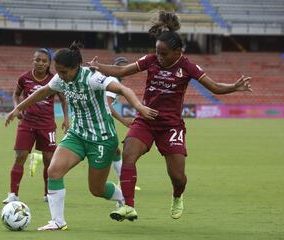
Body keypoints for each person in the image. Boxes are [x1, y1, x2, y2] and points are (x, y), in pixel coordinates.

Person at [88, 10, 252, 222]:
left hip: (171, 126)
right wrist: (98, 67)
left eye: (164, 54)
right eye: (157, 52)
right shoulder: (150, 60)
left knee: (177, 177)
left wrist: (233, 87)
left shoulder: (188, 67)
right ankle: (128, 206)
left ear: (178, 52)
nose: (159, 57)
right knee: (129, 153)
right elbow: (122, 71)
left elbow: (214, 87)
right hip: (146, 120)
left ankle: (177, 195)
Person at [5, 42, 158, 230]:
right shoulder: (61, 79)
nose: (60, 76)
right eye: (58, 72)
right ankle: (58, 221)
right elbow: (44, 91)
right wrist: (18, 107)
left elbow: (123, 89)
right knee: (54, 171)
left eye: (64, 72)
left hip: (101, 138)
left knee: (96, 189)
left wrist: (139, 107)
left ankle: (122, 198)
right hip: (77, 134)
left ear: (76, 67)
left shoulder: (93, 78)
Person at [2, 48, 69, 204]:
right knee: (20, 157)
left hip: (47, 125)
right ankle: (13, 194)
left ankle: (48, 194)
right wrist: (16, 107)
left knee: (48, 160)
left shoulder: (55, 80)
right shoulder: (24, 78)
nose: (40, 63)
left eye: (44, 61)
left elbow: (64, 100)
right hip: (27, 123)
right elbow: (16, 95)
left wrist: (66, 119)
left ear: (49, 64)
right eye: (37, 60)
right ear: (33, 60)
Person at [107, 57, 141, 191]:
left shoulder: (114, 81)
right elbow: (107, 105)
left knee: (115, 151)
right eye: (122, 68)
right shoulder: (113, 82)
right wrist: (123, 120)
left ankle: (123, 182)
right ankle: (123, 183)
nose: (125, 72)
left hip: (103, 119)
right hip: (101, 120)